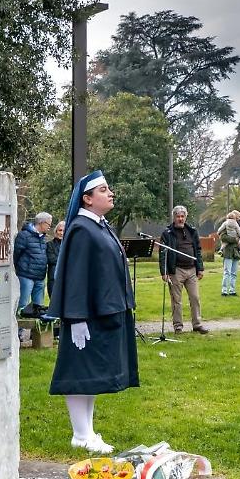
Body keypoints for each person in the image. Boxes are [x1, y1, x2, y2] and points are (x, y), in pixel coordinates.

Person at [48, 170, 138, 454]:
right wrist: (75, 318)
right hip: (86, 315)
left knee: (91, 374)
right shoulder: (81, 229)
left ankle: (86, 432)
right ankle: (80, 434)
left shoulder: (99, 225)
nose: (110, 193)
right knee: (79, 372)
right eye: (103, 190)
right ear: (87, 199)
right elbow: (76, 276)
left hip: (104, 311)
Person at [158, 205, 209, 334]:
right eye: (178, 216)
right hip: (176, 271)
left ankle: (197, 324)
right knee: (176, 300)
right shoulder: (167, 233)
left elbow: (198, 250)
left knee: (195, 297)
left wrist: (200, 268)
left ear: (186, 217)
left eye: (182, 216)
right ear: (174, 217)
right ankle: (178, 327)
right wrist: (164, 272)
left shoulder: (192, 231)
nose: (180, 219)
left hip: (191, 270)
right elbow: (162, 253)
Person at [13, 212, 51, 311]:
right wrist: (21, 269)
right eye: (48, 224)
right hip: (26, 276)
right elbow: (16, 254)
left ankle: (36, 326)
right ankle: (20, 326)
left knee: (39, 308)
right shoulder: (24, 236)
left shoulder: (43, 238)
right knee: (22, 306)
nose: (49, 227)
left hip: (40, 278)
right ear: (41, 223)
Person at [217, 210, 240, 296]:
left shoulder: (237, 226)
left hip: (236, 251)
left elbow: (239, 236)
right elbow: (223, 237)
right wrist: (235, 240)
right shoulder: (226, 226)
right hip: (228, 251)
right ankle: (224, 290)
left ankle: (232, 290)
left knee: (234, 272)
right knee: (227, 271)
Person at [46, 219, 64, 300]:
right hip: (53, 278)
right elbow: (51, 259)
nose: (61, 233)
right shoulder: (49, 244)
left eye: (64, 231)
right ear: (56, 231)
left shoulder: (70, 245)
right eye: (60, 230)